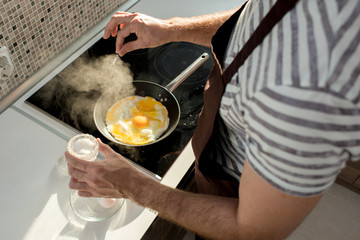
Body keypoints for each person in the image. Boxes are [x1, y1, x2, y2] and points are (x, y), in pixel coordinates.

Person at [65, 0, 360, 239]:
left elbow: (252, 230)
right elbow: (257, 19)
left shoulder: (307, 93)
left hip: (230, 194)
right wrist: (170, 29)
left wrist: (131, 185)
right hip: (217, 155)